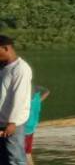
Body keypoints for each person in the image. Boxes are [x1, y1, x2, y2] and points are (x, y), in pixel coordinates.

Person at [0, 34, 33, 165]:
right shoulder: (3, 68)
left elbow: (19, 97)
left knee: (15, 158)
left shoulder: (20, 69)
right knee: (3, 159)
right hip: (2, 121)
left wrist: (12, 122)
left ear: (6, 48)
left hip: (13, 124)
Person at [23, 87, 48, 165]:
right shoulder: (37, 100)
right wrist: (39, 87)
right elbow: (47, 92)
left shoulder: (28, 103)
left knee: (24, 154)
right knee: (27, 154)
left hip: (24, 129)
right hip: (32, 129)